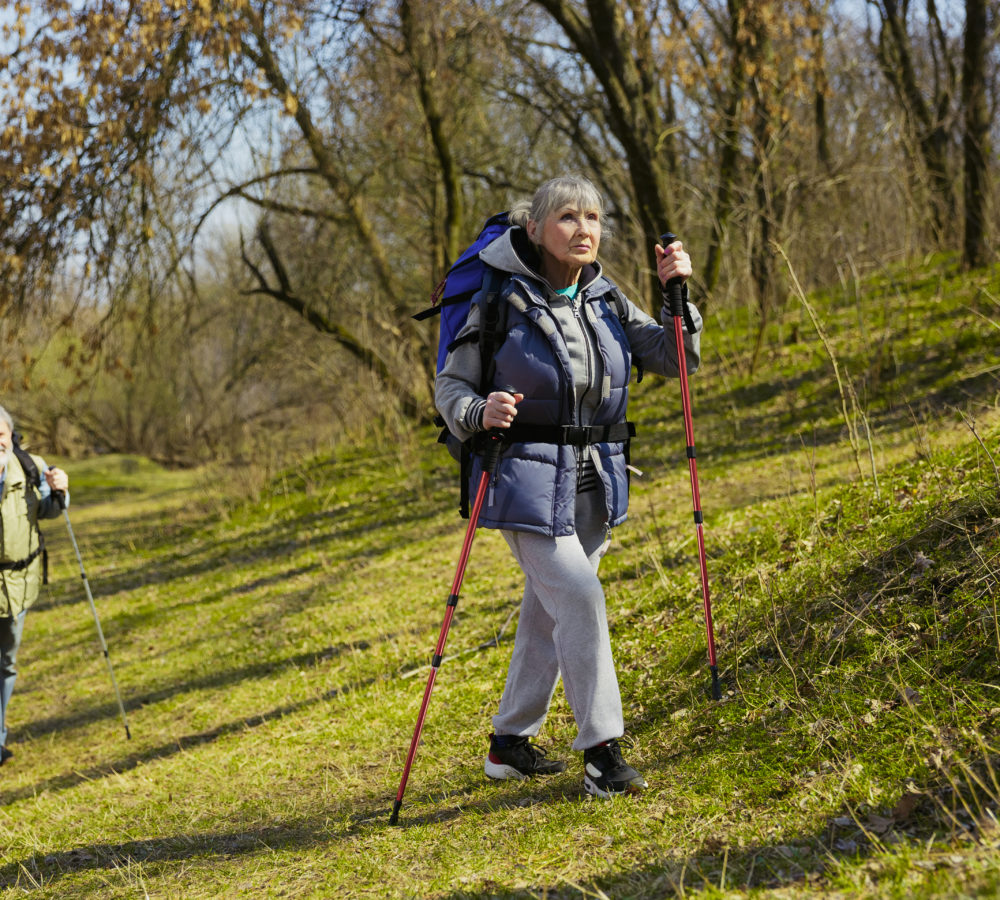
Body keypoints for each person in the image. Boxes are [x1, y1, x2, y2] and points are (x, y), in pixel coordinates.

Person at [435, 175, 703, 797]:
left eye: (593, 218)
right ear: (535, 229)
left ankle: (508, 744)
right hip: (522, 479)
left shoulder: (605, 297)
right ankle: (603, 754)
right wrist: (481, 412)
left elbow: (675, 358)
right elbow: (451, 388)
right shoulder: (499, 301)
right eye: (567, 218)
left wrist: (675, 297)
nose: (584, 230)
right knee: (579, 597)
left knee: (547, 611)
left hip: (595, 482)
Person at [0, 405, 69, 765]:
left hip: (16, 586)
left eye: (1, 435)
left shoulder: (29, 467)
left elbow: (50, 509)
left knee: (6, 664)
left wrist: (61, 490)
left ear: (10, 436)